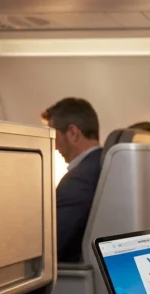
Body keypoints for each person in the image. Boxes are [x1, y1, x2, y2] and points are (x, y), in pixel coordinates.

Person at [42, 97, 102, 263]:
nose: (54, 146)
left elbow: (51, 247)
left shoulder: (78, 180)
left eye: (55, 136)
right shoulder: (102, 163)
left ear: (73, 133)